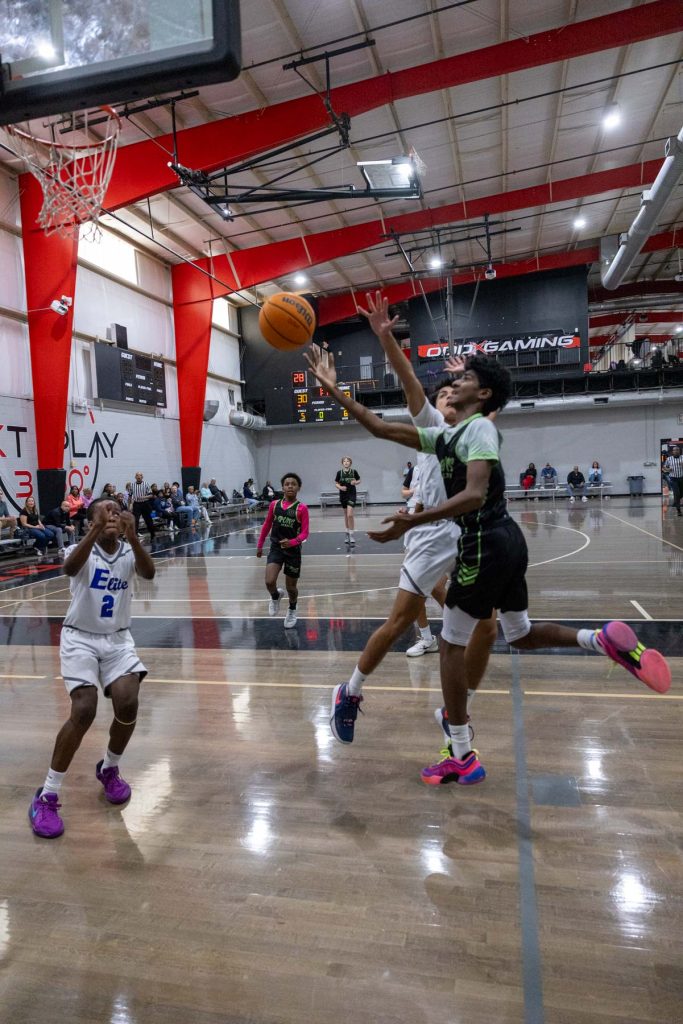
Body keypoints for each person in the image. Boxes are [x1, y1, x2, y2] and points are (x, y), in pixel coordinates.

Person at [305, 302, 671, 785]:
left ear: (484, 396)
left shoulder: (476, 429)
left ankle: (458, 745)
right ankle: (597, 639)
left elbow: (473, 492)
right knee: (512, 632)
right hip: (494, 542)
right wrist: (335, 390)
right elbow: (378, 425)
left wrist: (408, 523)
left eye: (463, 382)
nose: (451, 386)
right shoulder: (445, 433)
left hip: (474, 541)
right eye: (452, 383)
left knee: (451, 642)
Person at [305, 300, 497, 746]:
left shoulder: (478, 428)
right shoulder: (430, 424)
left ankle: (455, 711)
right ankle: (348, 692)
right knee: (398, 623)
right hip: (429, 535)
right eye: (445, 392)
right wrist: (385, 336)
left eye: (456, 391)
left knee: (487, 627)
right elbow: (408, 383)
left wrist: (471, 372)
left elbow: (491, 400)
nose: (450, 394)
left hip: (467, 533)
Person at [28, 498, 156, 838]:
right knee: (84, 709)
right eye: (104, 510)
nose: (113, 513)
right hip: (79, 639)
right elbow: (69, 569)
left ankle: (109, 768)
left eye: (117, 510)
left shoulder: (128, 550)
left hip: (117, 640)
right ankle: (47, 794)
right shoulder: (80, 548)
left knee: (128, 702)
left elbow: (149, 573)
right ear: (90, 521)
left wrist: (135, 536)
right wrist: (96, 530)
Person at [256, 473, 309, 628]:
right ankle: (275, 595)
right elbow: (266, 525)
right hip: (276, 548)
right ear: (283, 487)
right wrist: (260, 545)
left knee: (291, 587)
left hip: (293, 551)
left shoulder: (302, 508)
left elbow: (305, 533)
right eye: (287, 484)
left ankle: (292, 608)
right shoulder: (274, 505)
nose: (290, 486)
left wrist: (292, 542)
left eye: (293, 484)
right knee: (269, 581)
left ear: (298, 487)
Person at [335, 456, 361, 545]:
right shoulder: (339, 473)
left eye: (348, 461)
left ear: (350, 463)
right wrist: (341, 487)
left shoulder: (354, 472)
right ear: (342, 463)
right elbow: (336, 483)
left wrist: (355, 482)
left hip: (351, 494)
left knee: (350, 514)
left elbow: (359, 480)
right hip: (343, 495)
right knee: (346, 514)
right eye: (344, 461)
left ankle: (352, 534)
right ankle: (347, 533)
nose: (346, 462)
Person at [130, 472, 156, 538]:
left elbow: (151, 495)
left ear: (142, 477)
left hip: (145, 503)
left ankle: (152, 534)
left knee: (148, 520)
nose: (139, 477)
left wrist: (143, 497)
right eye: (137, 475)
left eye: (140, 475)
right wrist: (129, 505)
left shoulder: (146, 484)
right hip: (136, 504)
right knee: (135, 520)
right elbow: (130, 496)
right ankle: (135, 536)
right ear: (135, 477)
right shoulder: (132, 485)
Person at [663, 444, 683, 516]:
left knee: (681, 493)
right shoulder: (669, 459)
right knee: (676, 493)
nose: (676, 451)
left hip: (681, 478)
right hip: (673, 479)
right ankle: (679, 510)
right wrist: (668, 469)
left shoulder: (682, 457)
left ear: (679, 451)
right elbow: (664, 468)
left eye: (677, 450)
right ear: (672, 452)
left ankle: (675, 501)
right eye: (675, 450)